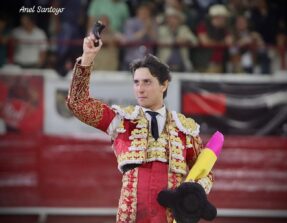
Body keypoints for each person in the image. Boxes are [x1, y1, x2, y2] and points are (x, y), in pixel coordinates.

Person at [66, 33, 214, 222]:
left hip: (169, 216)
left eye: (147, 82)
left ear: (164, 85)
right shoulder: (122, 120)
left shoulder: (185, 129)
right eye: (136, 82)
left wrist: (195, 194)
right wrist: (87, 58)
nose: (140, 89)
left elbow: (204, 171)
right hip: (132, 214)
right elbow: (78, 104)